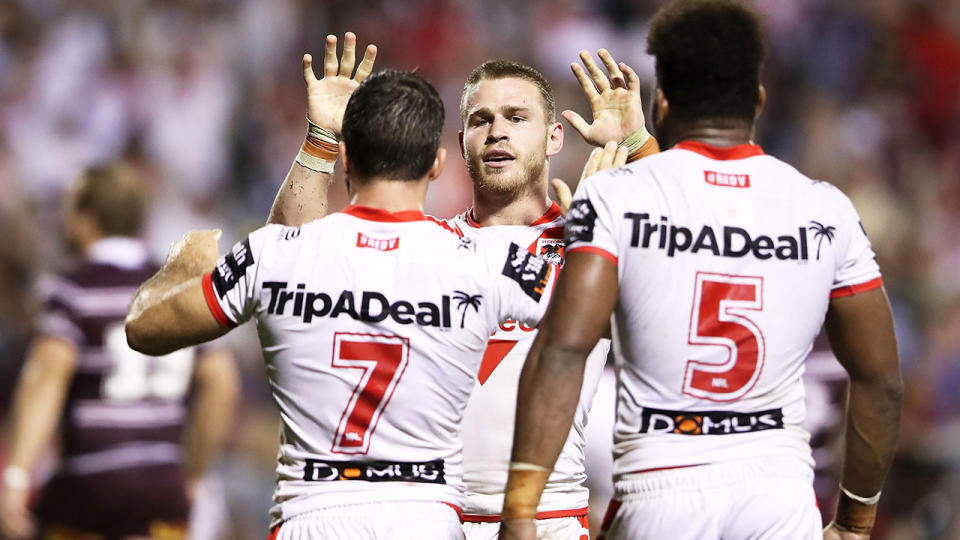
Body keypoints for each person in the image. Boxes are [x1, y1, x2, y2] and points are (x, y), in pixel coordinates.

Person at [499, 1, 904, 540]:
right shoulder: (823, 209)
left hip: (662, 488)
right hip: (778, 499)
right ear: (758, 99)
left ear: (661, 101)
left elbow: (563, 349)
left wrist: (521, 509)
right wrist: (854, 524)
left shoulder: (616, 197)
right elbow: (881, 381)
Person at [123, 69, 574, 540]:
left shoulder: (276, 253)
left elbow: (142, 327)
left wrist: (182, 266)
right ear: (439, 163)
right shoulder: (482, 261)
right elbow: (598, 312)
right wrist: (597, 227)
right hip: (424, 516)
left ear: (345, 158)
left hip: (311, 513)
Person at [267, 32, 658, 539]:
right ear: (458, 146)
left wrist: (637, 143)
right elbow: (292, 257)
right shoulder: (425, 246)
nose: (498, 131)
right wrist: (321, 140)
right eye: (480, 120)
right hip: (429, 521)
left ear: (554, 137)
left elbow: (693, 251)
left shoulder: (590, 243)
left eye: (517, 118)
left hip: (550, 522)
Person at [0, 164, 239, 540]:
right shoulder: (181, 288)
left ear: (88, 216)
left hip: (89, 491)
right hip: (162, 490)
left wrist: (16, 476)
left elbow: (45, 379)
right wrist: (193, 473)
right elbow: (222, 384)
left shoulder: (73, 290)